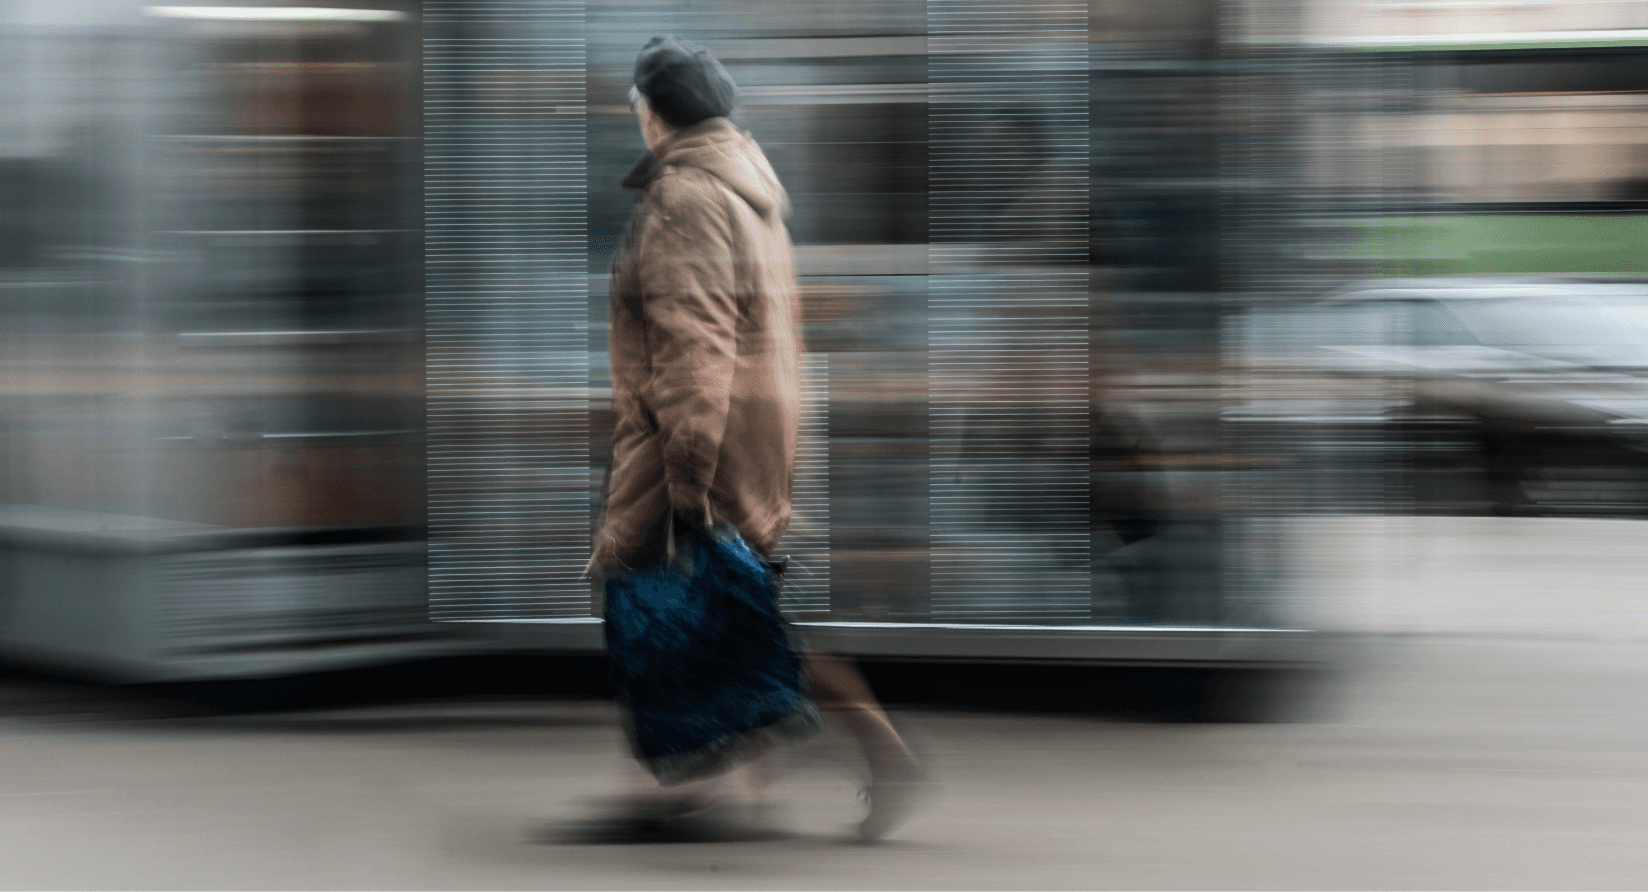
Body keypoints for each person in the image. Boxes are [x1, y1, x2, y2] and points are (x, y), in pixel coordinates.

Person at [584, 36, 925, 842]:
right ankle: (726, 791)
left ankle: (860, 757)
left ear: (654, 115)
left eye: (638, 109)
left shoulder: (685, 199)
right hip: (759, 429)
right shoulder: (747, 187)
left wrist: (689, 483)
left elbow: (693, 348)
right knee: (742, 607)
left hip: (707, 441)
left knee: (718, 609)